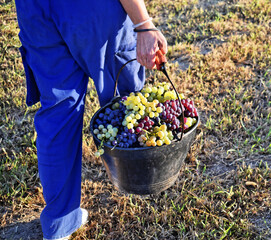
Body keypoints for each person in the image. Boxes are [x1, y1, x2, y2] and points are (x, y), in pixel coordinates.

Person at [14, 0, 167, 239]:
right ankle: (139, 178)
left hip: (35, 10)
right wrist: (144, 23)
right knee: (123, 98)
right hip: (91, 8)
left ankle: (59, 225)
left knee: (58, 115)